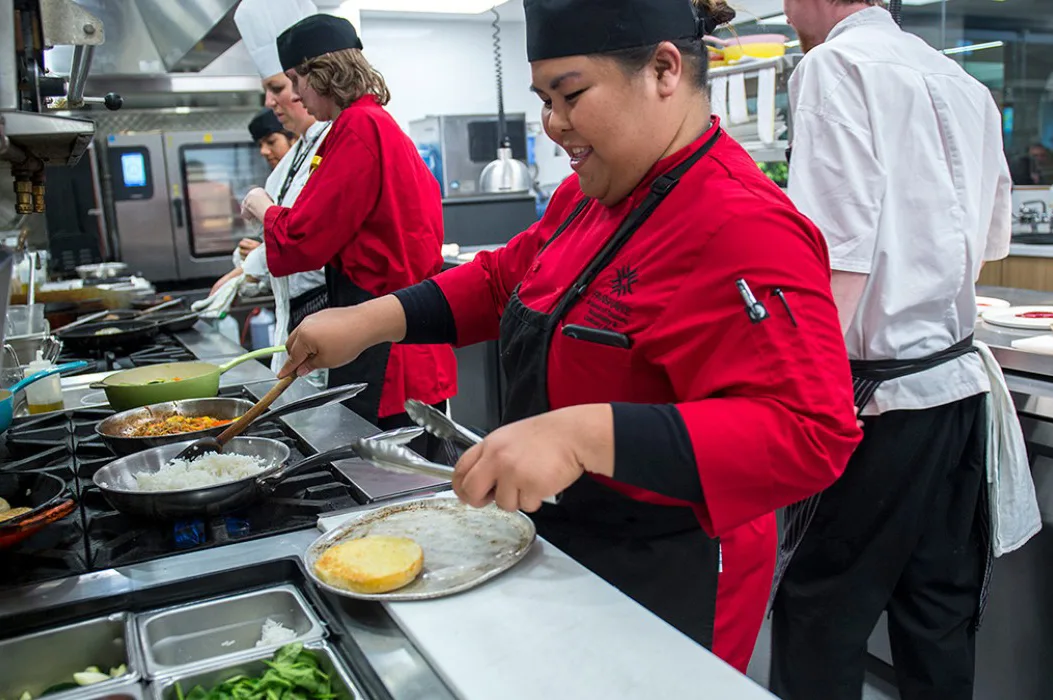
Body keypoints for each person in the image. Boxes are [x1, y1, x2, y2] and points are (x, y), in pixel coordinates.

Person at [280, 0, 861, 673]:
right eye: (543, 100)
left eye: (570, 94)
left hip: (673, 567)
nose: (553, 124)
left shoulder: (741, 225)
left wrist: (583, 435)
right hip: (567, 541)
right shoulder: (590, 194)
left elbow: (809, 433)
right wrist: (369, 320)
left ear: (663, 70)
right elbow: (502, 280)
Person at [768, 2, 1021, 699]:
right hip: (957, 392)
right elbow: (991, 240)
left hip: (874, 404)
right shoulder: (960, 82)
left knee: (819, 616)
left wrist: (794, 388)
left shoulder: (833, 65)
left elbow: (836, 252)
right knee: (936, 615)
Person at [240, 13, 457, 457]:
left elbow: (304, 239)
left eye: (297, 79)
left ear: (325, 72)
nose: (296, 93)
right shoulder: (369, 124)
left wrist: (263, 208)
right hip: (390, 333)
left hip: (386, 345)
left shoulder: (359, 128)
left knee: (395, 487)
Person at [200, 0, 331, 376]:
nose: (269, 102)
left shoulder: (338, 142)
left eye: (276, 88)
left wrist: (253, 265)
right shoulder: (293, 158)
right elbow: (279, 239)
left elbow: (307, 240)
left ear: (307, 83)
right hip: (295, 316)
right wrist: (248, 264)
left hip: (324, 314)